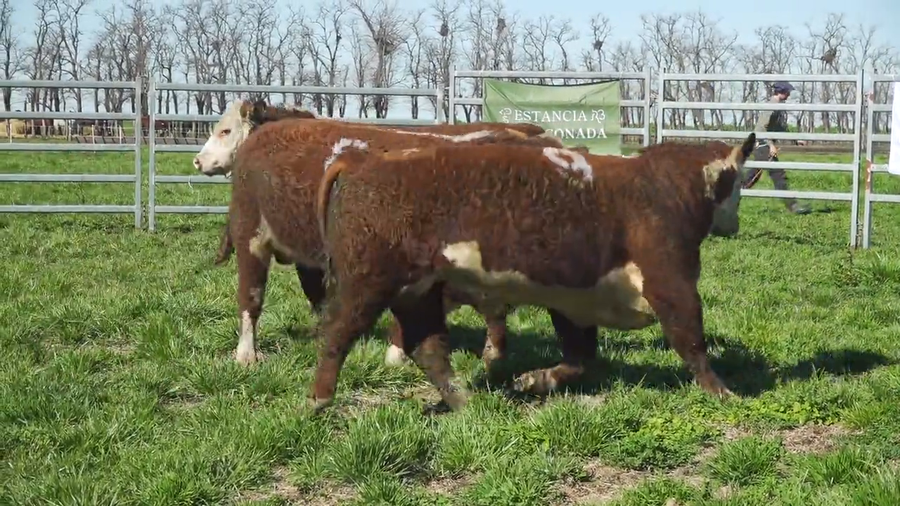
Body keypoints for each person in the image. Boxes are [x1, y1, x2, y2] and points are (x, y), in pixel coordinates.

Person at [742, 81, 811, 215]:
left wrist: (796, 140)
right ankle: (793, 206)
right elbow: (762, 127)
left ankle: (726, 197)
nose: (789, 94)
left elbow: (779, 128)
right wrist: (770, 144)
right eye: (788, 92)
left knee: (752, 177)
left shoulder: (777, 106)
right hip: (762, 145)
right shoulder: (772, 106)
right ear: (782, 92)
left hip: (762, 145)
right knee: (778, 175)